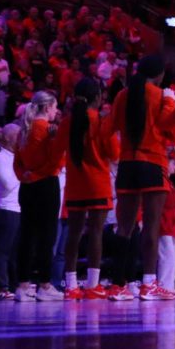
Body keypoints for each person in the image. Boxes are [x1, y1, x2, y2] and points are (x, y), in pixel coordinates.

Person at [109, 55, 175, 300]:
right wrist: (171, 103)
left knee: (124, 228)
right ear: (160, 74)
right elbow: (172, 133)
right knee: (151, 227)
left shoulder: (122, 95)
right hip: (153, 164)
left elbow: (112, 127)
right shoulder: (161, 96)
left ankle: (120, 284)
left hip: (128, 164)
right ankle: (149, 283)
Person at [56, 78, 118, 300]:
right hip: (98, 185)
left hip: (75, 186)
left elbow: (57, 149)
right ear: (98, 97)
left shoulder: (66, 122)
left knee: (73, 235)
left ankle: (71, 286)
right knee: (96, 234)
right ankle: (92, 285)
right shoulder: (101, 122)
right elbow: (115, 153)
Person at [13, 91, 65, 301]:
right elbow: (55, 161)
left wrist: (25, 176)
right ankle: (44, 284)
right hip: (46, 184)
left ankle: (23, 285)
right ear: (46, 108)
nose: (56, 111)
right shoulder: (47, 129)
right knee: (47, 237)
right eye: (54, 107)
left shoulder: (23, 130)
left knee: (27, 236)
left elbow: (17, 162)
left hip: (27, 186)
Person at [0, 123, 20, 300]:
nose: (21, 138)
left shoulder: (16, 158)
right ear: (8, 138)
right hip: (6, 209)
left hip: (19, 208)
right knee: (3, 250)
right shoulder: (1, 158)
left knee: (16, 252)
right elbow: (8, 184)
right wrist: (23, 171)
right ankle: (2, 287)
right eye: (17, 135)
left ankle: (16, 286)